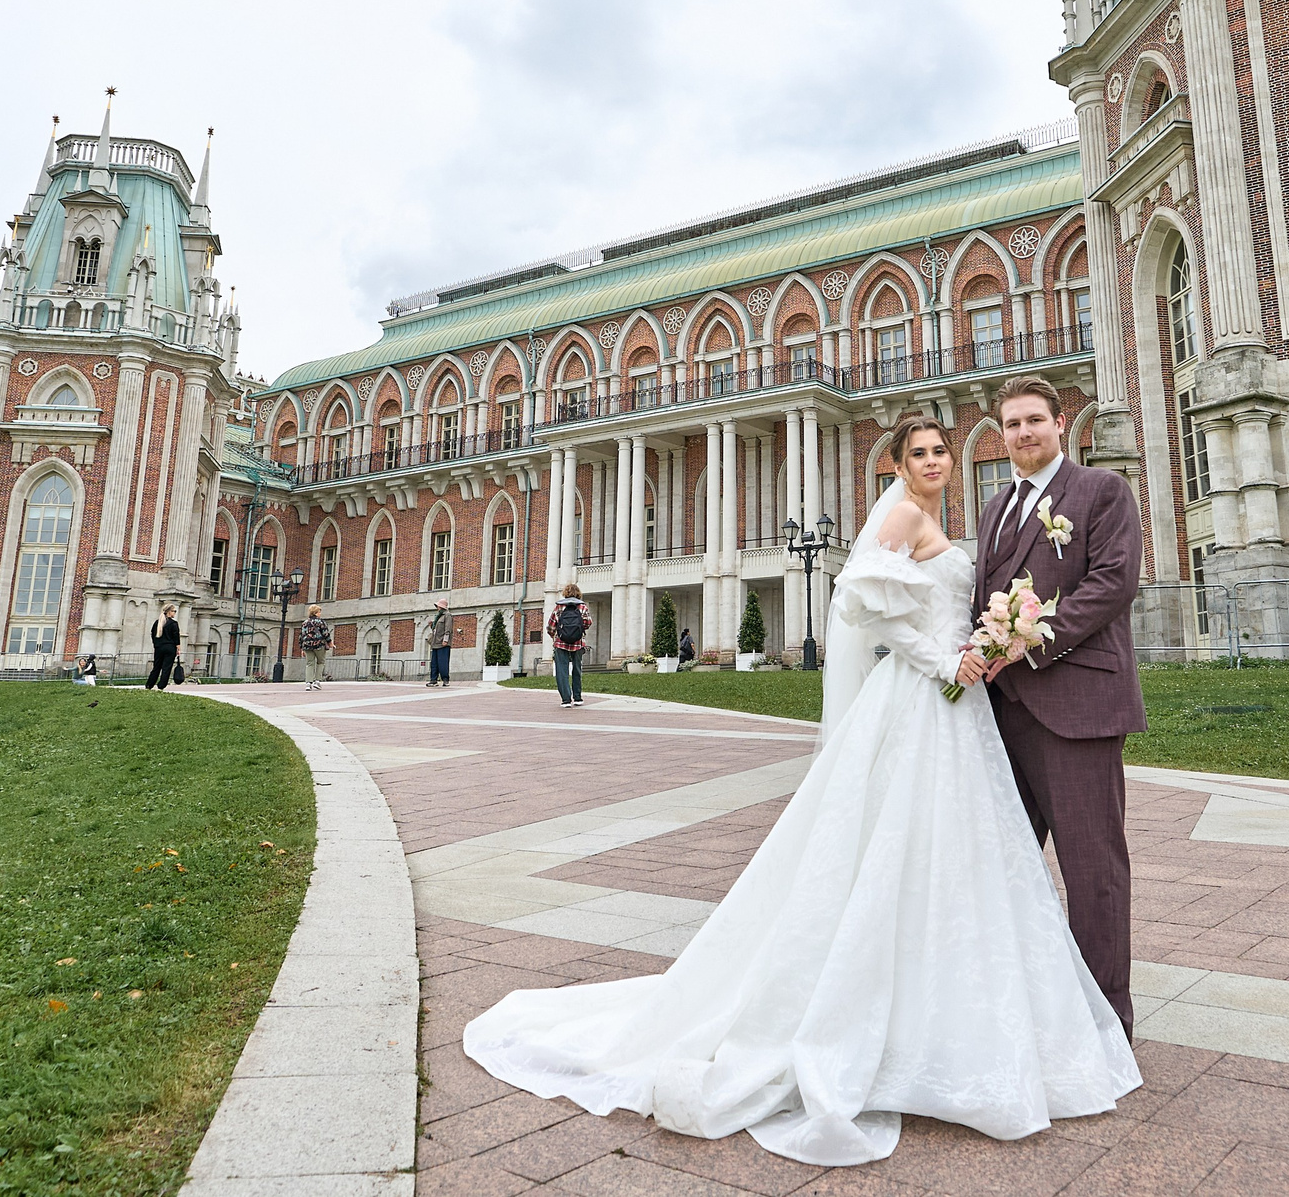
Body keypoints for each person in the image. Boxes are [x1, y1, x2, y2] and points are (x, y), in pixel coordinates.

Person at [466, 415, 1136, 1166]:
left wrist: (979, 644)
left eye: (940, 451)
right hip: (927, 696)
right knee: (902, 848)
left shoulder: (958, 518)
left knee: (955, 857)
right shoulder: (902, 516)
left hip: (964, 710)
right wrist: (942, 661)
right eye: (918, 453)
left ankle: (955, 1005)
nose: (933, 461)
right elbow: (865, 607)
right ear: (897, 465)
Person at [958, 375, 1147, 1042]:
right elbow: (984, 594)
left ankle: (1106, 1024)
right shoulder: (995, 507)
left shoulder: (1101, 491)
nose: (1024, 433)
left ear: (1060, 423)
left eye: (1035, 420)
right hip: (1002, 713)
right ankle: (1029, 1009)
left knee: (1093, 872)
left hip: (1078, 706)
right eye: (1012, 424)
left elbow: (1113, 583)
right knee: (1005, 870)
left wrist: (1028, 641)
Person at [547, 584, 591, 708]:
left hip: (561, 643)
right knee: (577, 669)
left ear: (565, 593)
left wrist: (555, 636)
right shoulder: (582, 607)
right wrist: (578, 631)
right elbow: (588, 622)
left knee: (562, 671)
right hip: (578, 642)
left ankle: (566, 700)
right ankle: (577, 698)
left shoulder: (559, 607)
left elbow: (550, 626)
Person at [146, 606, 181, 690]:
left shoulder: (157, 622)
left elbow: (153, 634)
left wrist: (156, 644)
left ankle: (149, 684)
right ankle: (161, 685)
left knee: (156, 667)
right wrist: (178, 648)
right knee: (166, 668)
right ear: (169, 612)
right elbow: (176, 636)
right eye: (174, 611)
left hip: (159, 647)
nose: (175, 613)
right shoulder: (173, 623)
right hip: (170, 647)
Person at [298, 605, 331, 689]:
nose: (320, 614)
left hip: (307, 645)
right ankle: (317, 681)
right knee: (321, 662)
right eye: (319, 612)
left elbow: (301, 636)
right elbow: (326, 633)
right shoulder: (321, 622)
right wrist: (330, 643)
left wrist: (302, 647)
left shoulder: (305, 623)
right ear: (315, 612)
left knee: (309, 663)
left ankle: (308, 683)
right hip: (319, 644)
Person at [424, 603, 455, 687]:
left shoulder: (447, 615)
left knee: (443, 663)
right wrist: (432, 625)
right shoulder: (438, 616)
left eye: (438, 606)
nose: (437, 608)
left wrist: (445, 640)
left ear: (441, 607)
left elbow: (448, 629)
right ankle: (433, 680)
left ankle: (445, 680)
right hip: (435, 643)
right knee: (434, 663)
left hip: (442, 643)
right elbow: (436, 630)